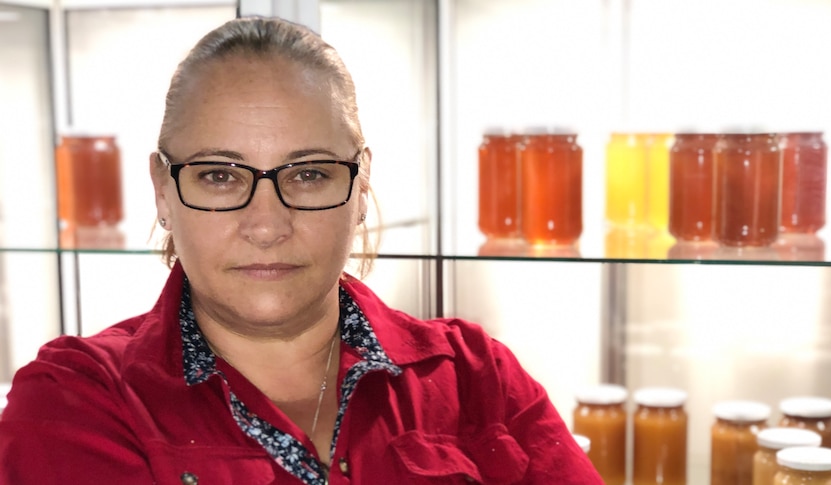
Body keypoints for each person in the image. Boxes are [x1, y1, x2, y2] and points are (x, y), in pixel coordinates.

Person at [0, 16, 602, 484]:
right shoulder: (78, 400)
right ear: (163, 191)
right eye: (219, 176)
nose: (267, 224)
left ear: (359, 187)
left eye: (309, 174)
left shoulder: (477, 378)